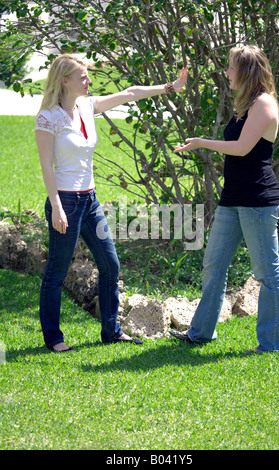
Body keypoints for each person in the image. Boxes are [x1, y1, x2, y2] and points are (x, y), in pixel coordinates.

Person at [35, 53, 188, 352]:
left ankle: (111, 331)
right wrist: (56, 206)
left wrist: (170, 87)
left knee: (110, 264)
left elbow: (130, 93)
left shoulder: (87, 106)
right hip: (65, 200)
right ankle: (53, 338)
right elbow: (46, 168)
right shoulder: (48, 117)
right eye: (83, 77)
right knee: (56, 271)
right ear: (65, 81)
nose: (89, 80)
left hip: (89, 201)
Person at [171, 45, 279, 354]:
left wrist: (201, 143)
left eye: (231, 68)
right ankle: (200, 333)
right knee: (213, 264)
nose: (226, 73)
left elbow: (241, 148)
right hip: (234, 197)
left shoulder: (264, 104)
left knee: (267, 272)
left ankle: (274, 343)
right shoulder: (247, 104)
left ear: (247, 71)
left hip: (258, 200)